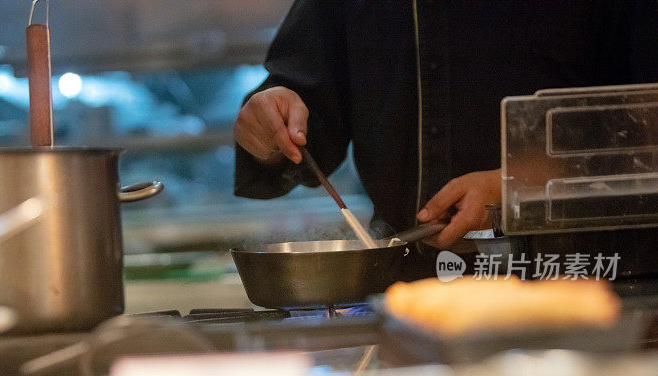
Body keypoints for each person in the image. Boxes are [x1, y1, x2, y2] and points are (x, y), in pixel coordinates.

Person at [233, 0, 658, 279]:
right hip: (410, 291)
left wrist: (516, 188)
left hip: (588, 278)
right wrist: (269, 123)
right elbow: (308, 114)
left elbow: (644, 127)